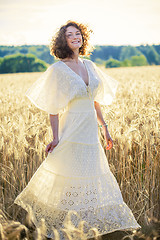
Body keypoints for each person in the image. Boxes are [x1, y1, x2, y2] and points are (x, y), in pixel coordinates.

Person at [14, 20, 140, 239]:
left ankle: (83, 228)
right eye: (70, 34)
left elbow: (95, 101)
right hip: (71, 129)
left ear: (83, 38)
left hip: (90, 132)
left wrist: (105, 129)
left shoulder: (89, 66)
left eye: (78, 34)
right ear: (63, 40)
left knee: (91, 176)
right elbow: (53, 108)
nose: (75, 37)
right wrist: (56, 138)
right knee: (67, 178)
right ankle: (55, 228)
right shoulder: (57, 69)